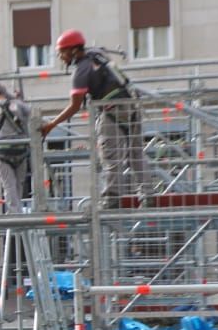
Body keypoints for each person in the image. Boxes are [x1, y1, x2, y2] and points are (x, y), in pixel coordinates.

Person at [38, 29, 151, 206]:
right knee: (135, 154)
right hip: (132, 105)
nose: (61, 58)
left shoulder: (81, 71)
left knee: (110, 154)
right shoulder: (97, 56)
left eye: (62, 53)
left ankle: (112, 198)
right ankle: (148, 194)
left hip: (111, 110)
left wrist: (51, 125)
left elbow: (74, 105)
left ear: (73, 51)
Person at [0, 81, 33, 214]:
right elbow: (31, 116)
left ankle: (14, 213)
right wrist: (17, 100)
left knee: (8, 185)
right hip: (21, 149)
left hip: (3, 152)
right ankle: (18, 212)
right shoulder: (18, 105)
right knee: (19, 184)